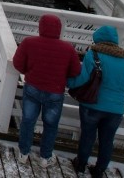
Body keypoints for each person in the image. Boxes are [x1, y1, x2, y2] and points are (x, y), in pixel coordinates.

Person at [13, 14, 81, 166]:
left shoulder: (29, 42)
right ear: (59, 29)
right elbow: (75, 71)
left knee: (28, 121)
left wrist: (28, 72)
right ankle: (45, 157)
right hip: (55, 92)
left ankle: (23, 153)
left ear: (41, 27)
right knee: (50, 125)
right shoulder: (68, 48)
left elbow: (18, 63)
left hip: (32, 88)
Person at [69, 26, 124, 177]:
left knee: (88, 136)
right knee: (107, 141)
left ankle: (80, 165)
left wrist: (69, 83)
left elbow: (84, 78)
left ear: (98, 38)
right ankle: (99, 170)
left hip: (92, 105)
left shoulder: (93, 54)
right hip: (116, 110)